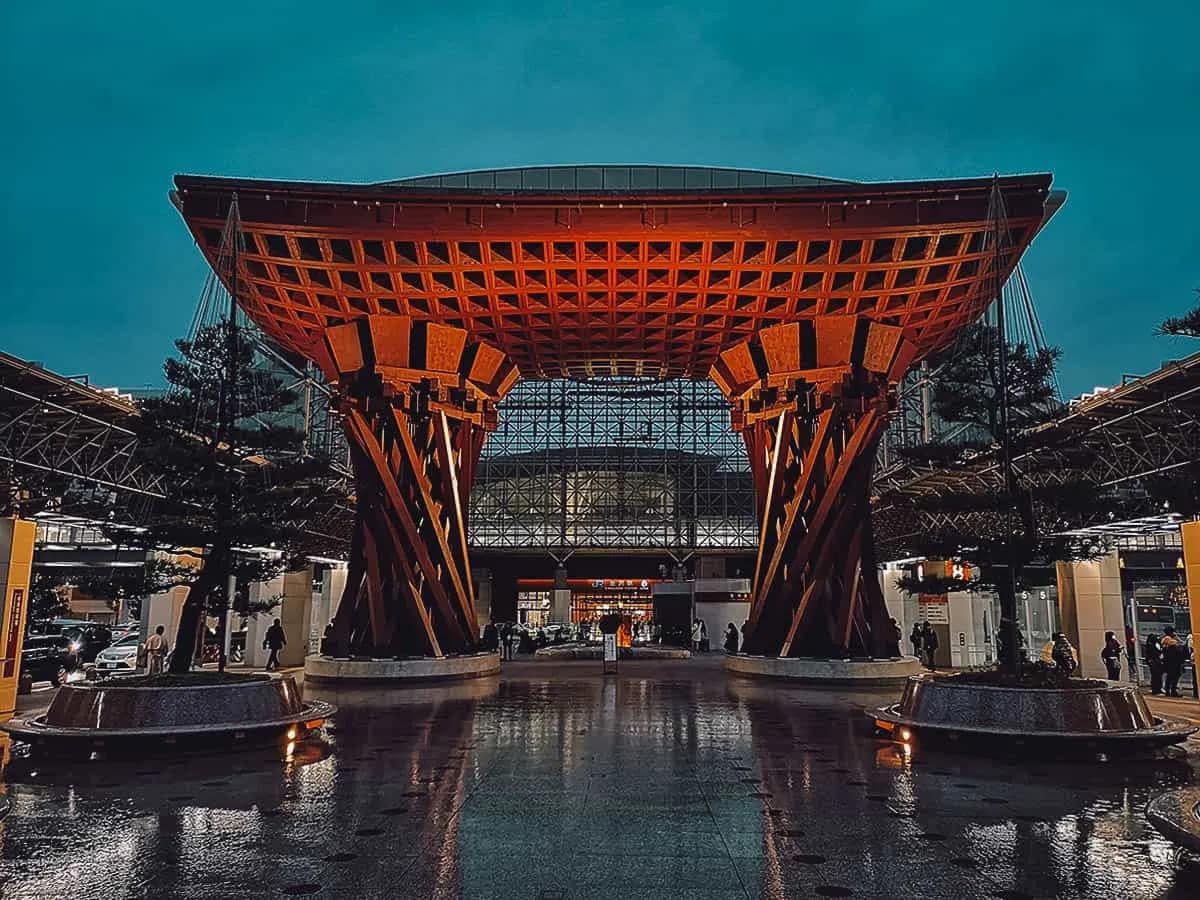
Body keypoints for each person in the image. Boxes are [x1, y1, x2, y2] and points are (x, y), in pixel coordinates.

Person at [1162, 627, 1186, 697]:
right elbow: (1179, 648)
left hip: (1170, 662)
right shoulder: (1170, 642)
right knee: (1174, 677)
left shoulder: (1166, 642)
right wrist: (1176, 639)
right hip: (1174, 663)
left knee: (1170, 677)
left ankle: (1168, 690)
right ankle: (1172, 691)